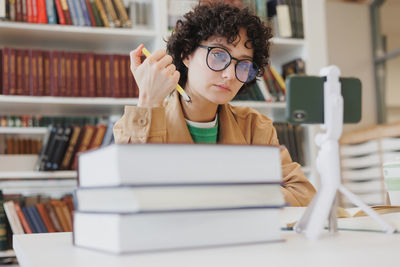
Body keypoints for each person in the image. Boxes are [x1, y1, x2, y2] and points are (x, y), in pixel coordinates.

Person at [113, 2, 316, 206]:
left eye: (243, 64)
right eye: (219, 55)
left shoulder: (255, 126)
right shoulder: (136, 123)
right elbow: (127, 195)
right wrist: (147, 101)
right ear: (186, 54)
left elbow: (304, 194)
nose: (229, 75)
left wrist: (228, 195)